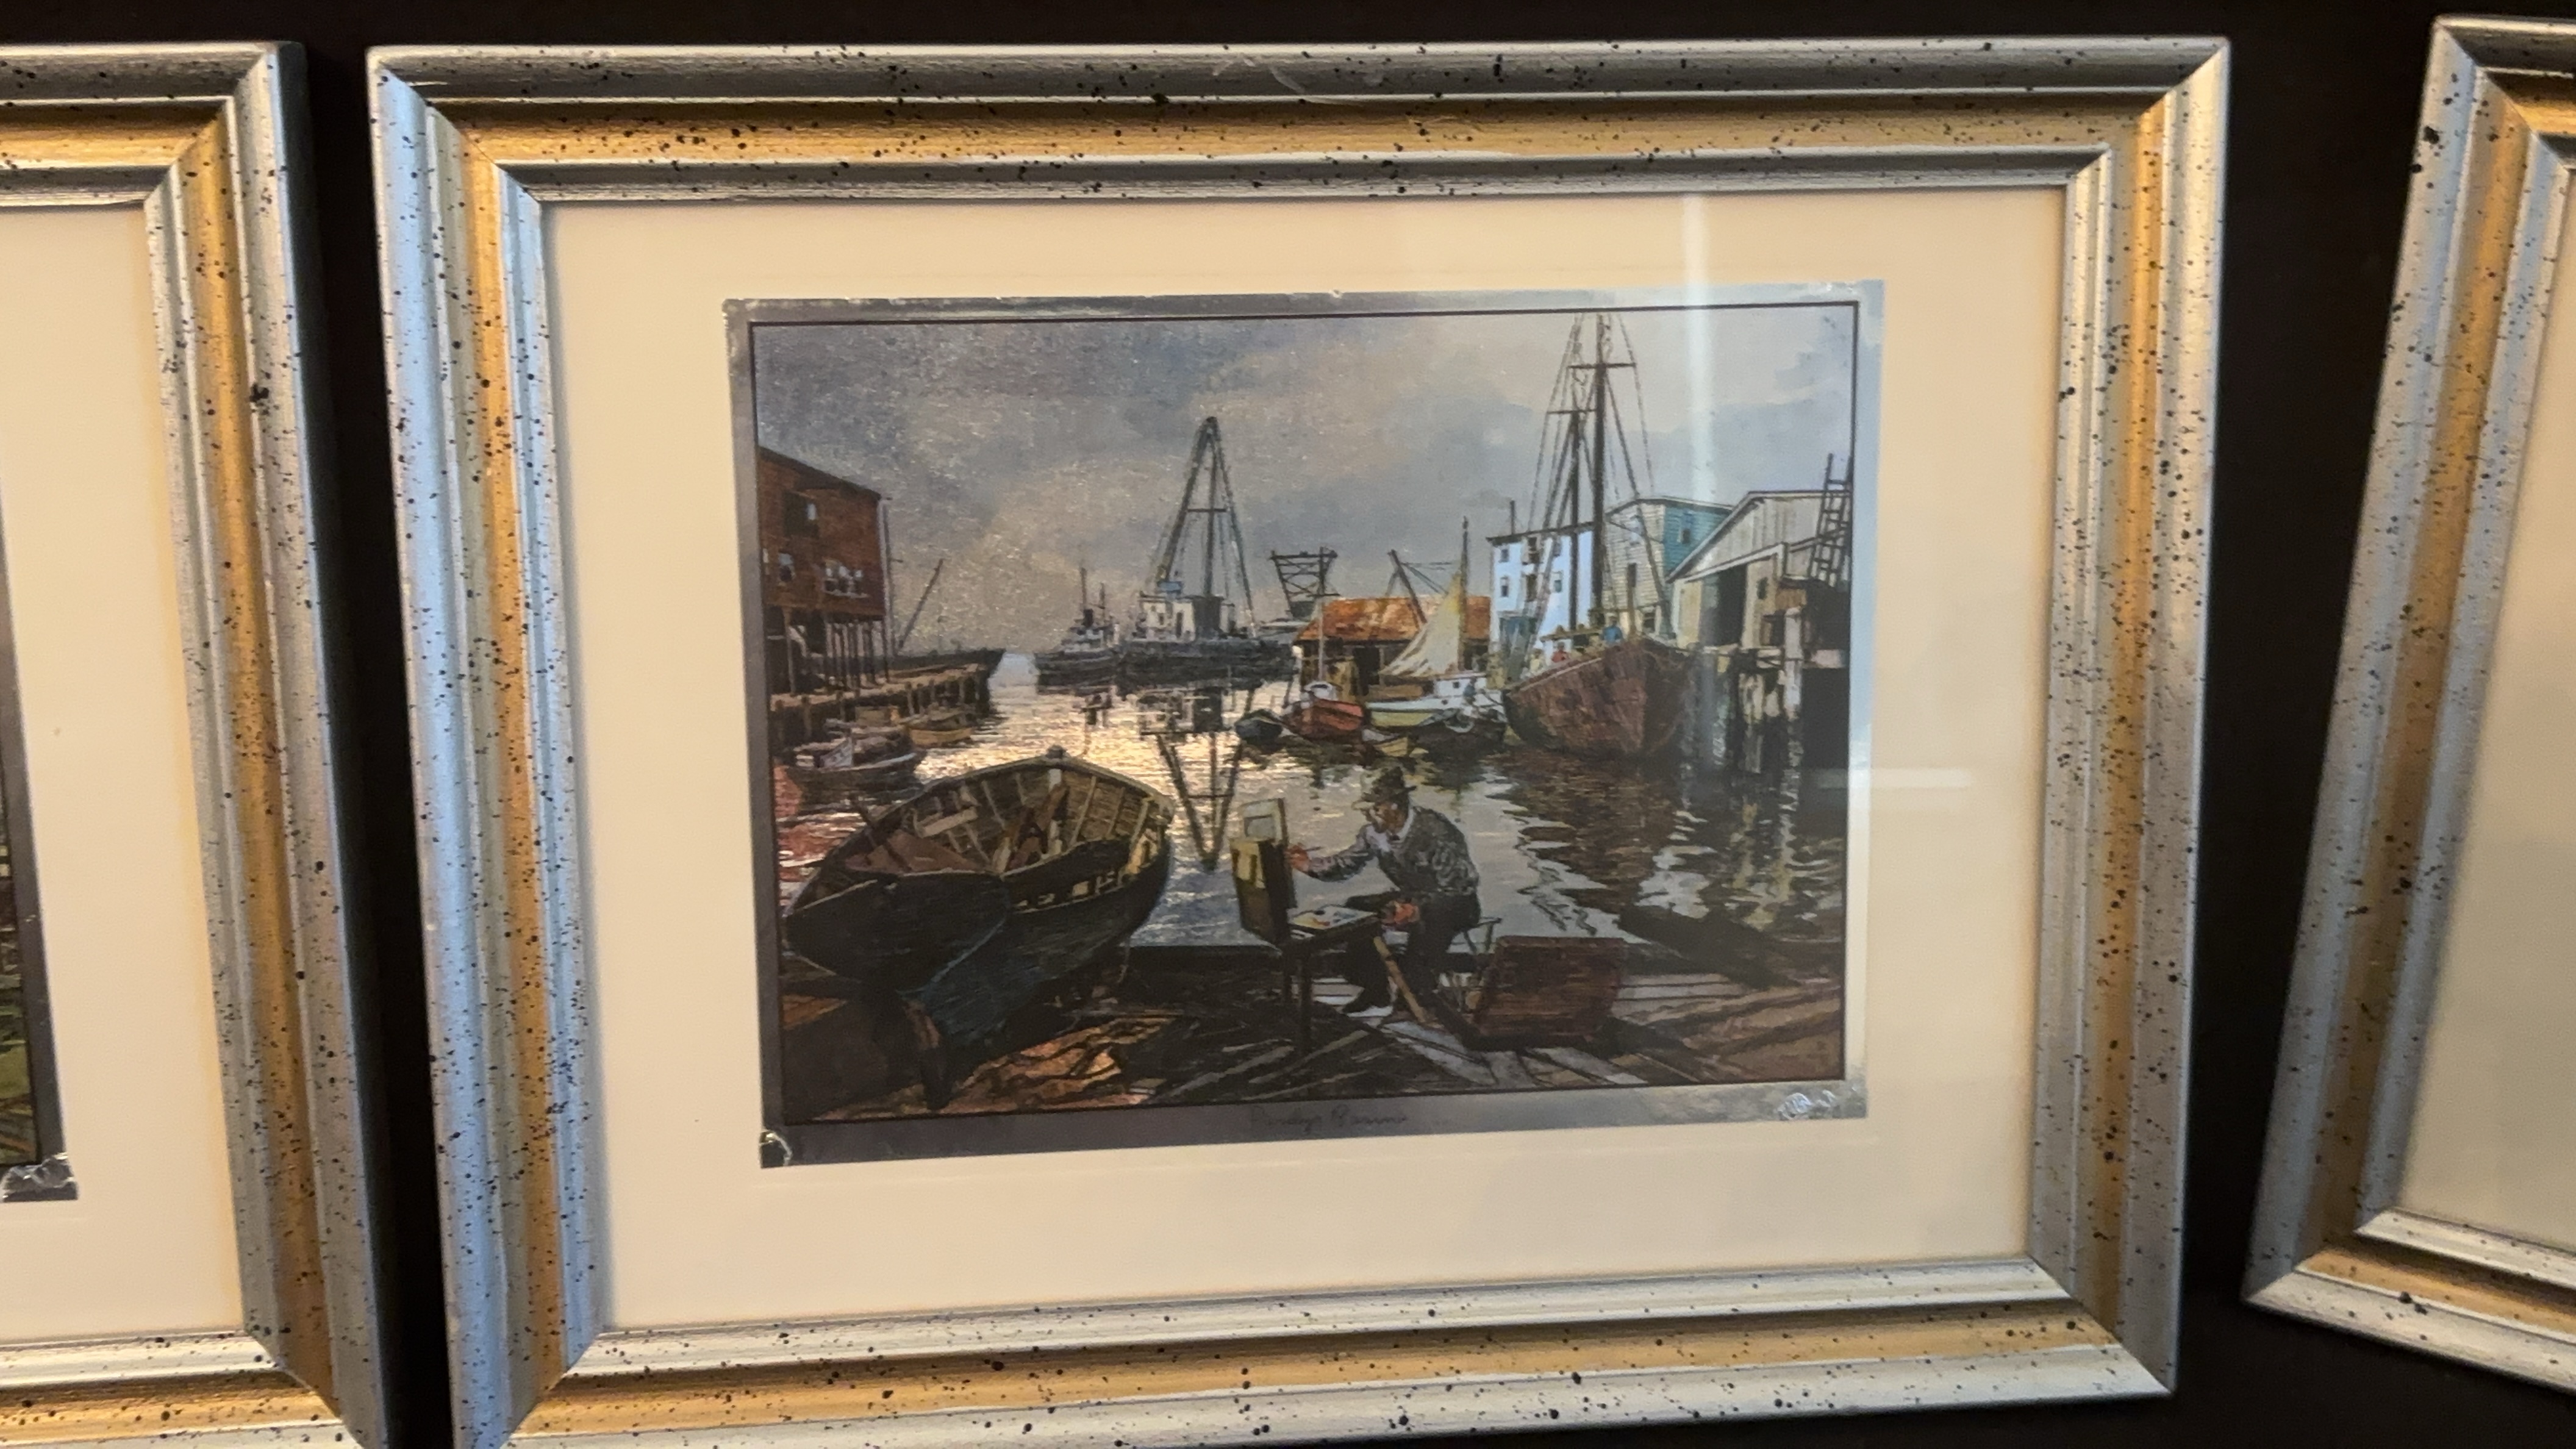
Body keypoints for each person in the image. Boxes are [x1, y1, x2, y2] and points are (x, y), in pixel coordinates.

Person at [1287, 765, 1482, 1015]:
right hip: (1412, 898)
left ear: (1394, 806)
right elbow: (1345, 864)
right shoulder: (1373, 833)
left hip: (1455, 904)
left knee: (1428, 924)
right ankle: (1375, 989)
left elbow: (1461, 884)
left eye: (1375, 808)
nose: (1368, 815)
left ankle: (1415, 999)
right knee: (1358, 909)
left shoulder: (1436, 831)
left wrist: (1418, 908)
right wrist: (1308, 865)